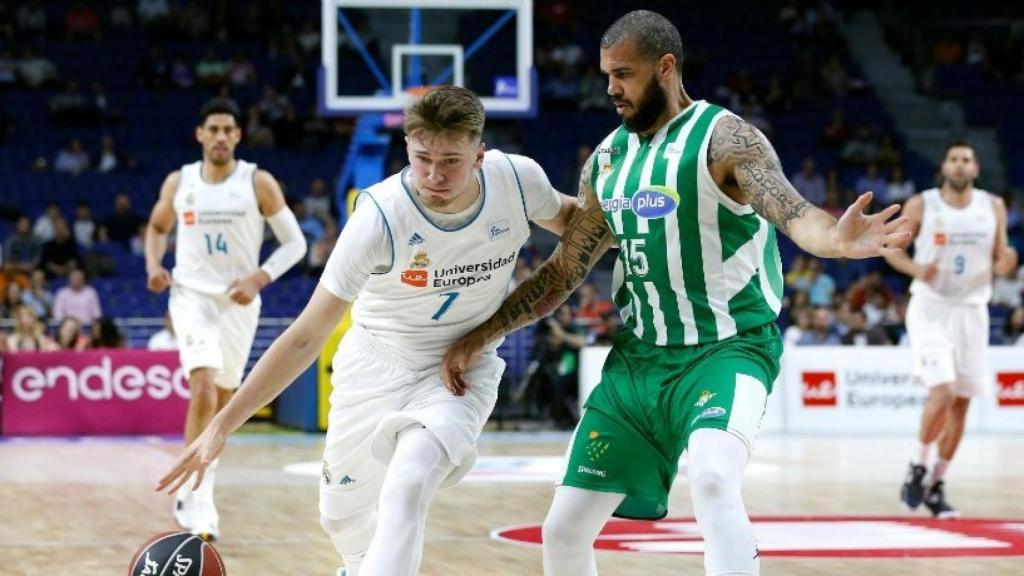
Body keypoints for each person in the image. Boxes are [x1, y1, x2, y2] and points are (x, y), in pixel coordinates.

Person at [441, 11, 908, 576]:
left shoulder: (725, 139)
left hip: (728, 349)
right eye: (606, 74)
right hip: (639, 363)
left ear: (666, 68)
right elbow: (564, 273)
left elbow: (793, 213)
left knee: (712, 480)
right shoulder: (607, 162)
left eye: (624, 73)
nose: (610, 87)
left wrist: (835, 238)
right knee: (563, 530)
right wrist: (480, 335)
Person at [155, 86, 575, 575]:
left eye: (452, 161)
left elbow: (578, 223)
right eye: (422, 159)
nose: (435, 176)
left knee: (409, 483)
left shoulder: (519, 181)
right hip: (375, 365)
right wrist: (221, 426)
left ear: (480, 155)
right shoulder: (378, 216)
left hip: (462, 365)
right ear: (407, 150)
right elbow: (307, 335)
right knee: (340, 519)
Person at [144, 97, 307, 541]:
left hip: (238, 302)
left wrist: (259, 277)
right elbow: (156, 229)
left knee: (222, 407)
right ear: (200, 134)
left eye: (227, 130)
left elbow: (295, 244)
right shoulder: (181, 181)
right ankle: (198, 501)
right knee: (201, 392)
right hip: (191, 296)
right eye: (212, 128)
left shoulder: (258, 181)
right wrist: (153, 266)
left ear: (238, 135)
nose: (220, 136)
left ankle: (198, 492)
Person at [885, 141, 1017, 519]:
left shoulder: (993, 206)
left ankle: (936, 485)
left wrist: (1007, 262)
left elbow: (1002, 256)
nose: (960, 165)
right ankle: (918, 466)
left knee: (961, 403)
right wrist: (915, 270)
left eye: (967, 160)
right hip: (931, 307)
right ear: (944, 166)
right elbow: (892, 249)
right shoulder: (923, 204)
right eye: (954, 159)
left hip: (973, 310)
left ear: (975, 168)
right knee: (941, 392)